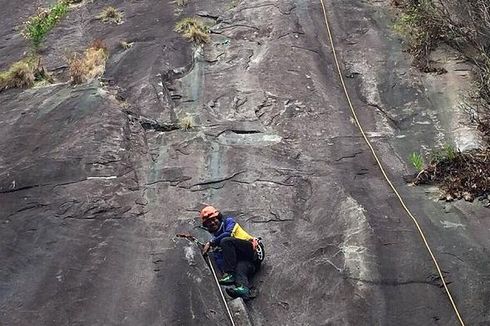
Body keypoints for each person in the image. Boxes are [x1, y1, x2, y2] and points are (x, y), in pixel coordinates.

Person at [200, 205, 263, 299]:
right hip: (248, 262)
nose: (212, 223)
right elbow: (222, 260)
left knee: (226, 241)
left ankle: (230, 274)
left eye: (214, 219)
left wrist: (211, 243)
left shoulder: (229, 222)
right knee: (239, 268)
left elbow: (228, 234)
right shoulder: (217, 240)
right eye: (209, 222)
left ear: (219, 217)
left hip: (253, 250)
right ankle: (244, 290)